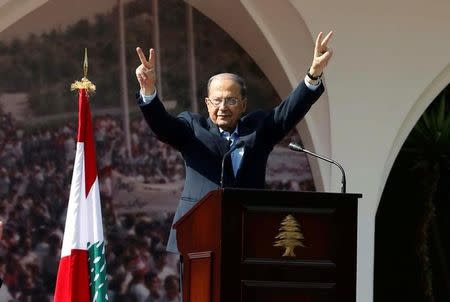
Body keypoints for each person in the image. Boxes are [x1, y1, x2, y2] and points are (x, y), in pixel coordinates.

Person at [135, 31, 333, 253]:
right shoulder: (192, 128)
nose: (223, 107)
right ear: (207, 103)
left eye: (231, 100)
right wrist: (148, 90)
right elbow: (162, 126)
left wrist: (313, 74)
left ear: (243, 104)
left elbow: (288, 111)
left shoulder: (259, 130)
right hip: (198, 237)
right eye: (217, 100)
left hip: (249, 234)